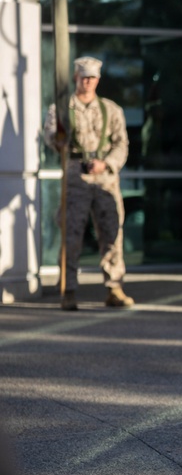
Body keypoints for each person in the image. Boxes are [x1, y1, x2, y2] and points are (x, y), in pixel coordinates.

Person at [43, 56, 134, 311]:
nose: (87, 82)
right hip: (75, 177)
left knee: (112, 232)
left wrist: (106, 164)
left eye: (92, 78)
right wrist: (57, 138)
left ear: (98, 79)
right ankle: (69, 289)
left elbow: (121, 144)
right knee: (72, 234)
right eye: (83, 77)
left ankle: (114, 287)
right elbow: (51, 137)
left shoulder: (111, 109)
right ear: (75, 77)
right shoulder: (61, 109)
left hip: (105, 179)